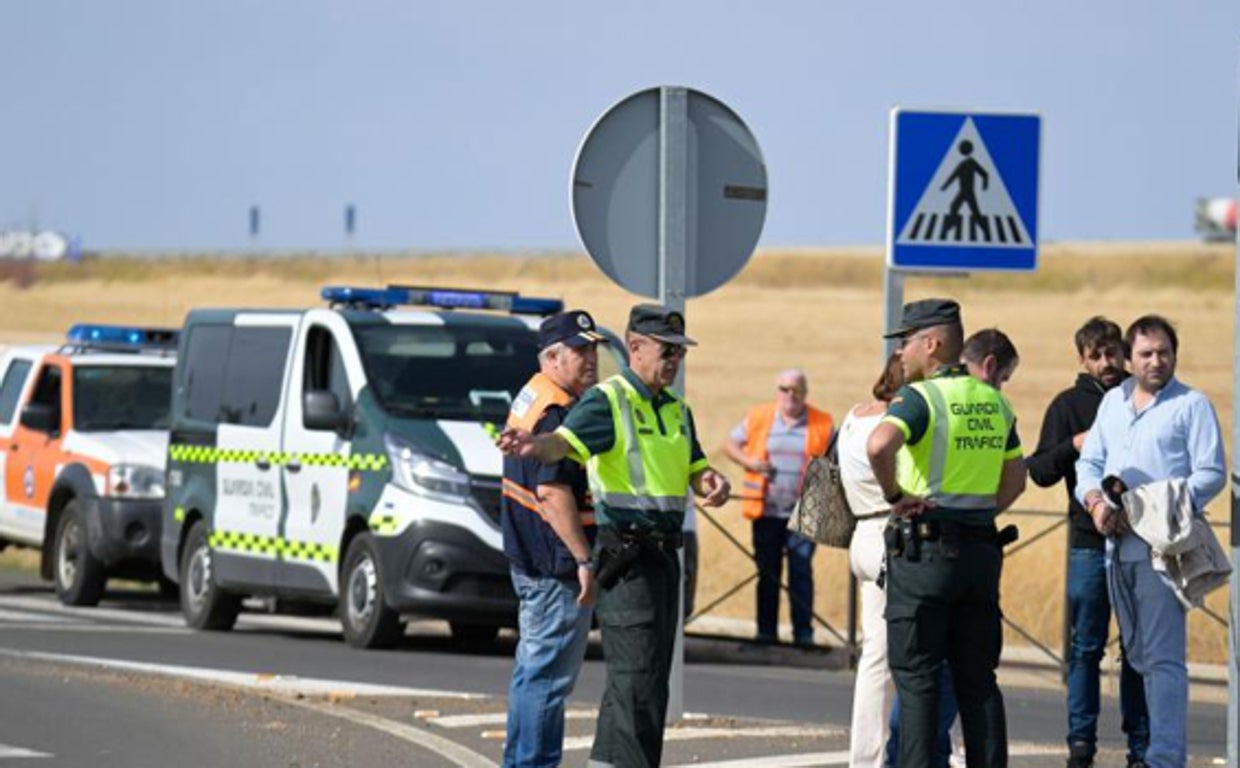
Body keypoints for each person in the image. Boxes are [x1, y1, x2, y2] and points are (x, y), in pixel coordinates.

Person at [498, 303, 731, 768]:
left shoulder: (676, 409)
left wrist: (711, 481)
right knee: (610, 678)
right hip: (609, 558)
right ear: (637, 347)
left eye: (681, 352)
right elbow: (556, 464)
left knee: (643, 679)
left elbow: (694, 466)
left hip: (659, 558)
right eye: (667, 350)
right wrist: (583, 559)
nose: (675, 360)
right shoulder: (598, 402)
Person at [867, 298, 1026, 768]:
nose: (900, 352)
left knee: (918, 682)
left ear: (932, 343)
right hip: (980, 555)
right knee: (979, 682)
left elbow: (879, 445)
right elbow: (1016, 480)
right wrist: (977, 513)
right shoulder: (996, 402)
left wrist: (895, 495)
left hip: (925, 556)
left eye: (906, 342)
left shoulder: (921, 398)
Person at [1076, 315, 1225, 768]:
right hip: (1114, 548)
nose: (1156, 361)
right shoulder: (1112, 403)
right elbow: (1090, 464)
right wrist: (1096, 503)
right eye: (1146, 354)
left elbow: (1211, 473)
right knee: (1137, 654)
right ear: (1129, 357)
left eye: (1164, 352)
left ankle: (1165, 758)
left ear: (1175, 354)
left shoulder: (1191, 405)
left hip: (1163, 550)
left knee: (1162, 659)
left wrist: (1150, 506)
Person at [1026, 316, 1149, 768]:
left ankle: (1141, 745)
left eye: (1112, 352)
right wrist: (1073, 444)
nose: (1106, 362)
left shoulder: (1143, 398)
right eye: (1095, 355)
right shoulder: (1068, 405)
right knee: (1085, 648)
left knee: (1137, 649)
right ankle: (1081, 744)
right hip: (1088, 542)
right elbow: (1039, 470)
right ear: (1082, 359)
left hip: (1141, 540)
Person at [499, 309, 607, 768]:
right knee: (547, 680)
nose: (591, 358)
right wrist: (584, 559)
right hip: (555, 563)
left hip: (530, 556)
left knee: (532, 672)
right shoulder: (558, 413)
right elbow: (552, 491)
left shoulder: (535, 394)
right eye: (580, 350)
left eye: (593, 348)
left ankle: (519, 762)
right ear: (551, 357)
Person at [723, 369, 833, 646]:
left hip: (804, 512)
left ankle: (803, 634)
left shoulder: (822, 422)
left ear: (805, 393)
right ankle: (766, 633)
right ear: (777, 391)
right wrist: (750, 462)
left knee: (801, 571)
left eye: (796, 390)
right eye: (784, 389)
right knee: (767, 573)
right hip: (766, 511)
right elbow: (729, 443)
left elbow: (837, 459)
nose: (790, 395)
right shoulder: (759, 417)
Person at [842, 353, 904, 768]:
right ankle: (878, 755)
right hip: (889, 531)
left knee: (874, 655)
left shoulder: (853, 416)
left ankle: (866, 755)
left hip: (860, 535)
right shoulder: (895, 424)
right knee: (911, 653)